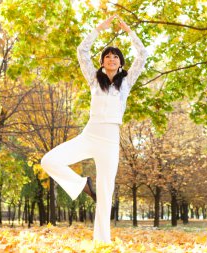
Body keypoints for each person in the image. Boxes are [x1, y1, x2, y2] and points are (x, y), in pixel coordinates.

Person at [40, 15, 148, 243]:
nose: (111, 59)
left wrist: (129, 31)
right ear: (102, 62)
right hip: (90, 134)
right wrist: (100, 28)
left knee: (106, 192)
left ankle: (102, 242)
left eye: (115, 56)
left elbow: (143, 54)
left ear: (121, 63)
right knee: (48, 161)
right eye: (107, 56)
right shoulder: (93, 79)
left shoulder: (126, 83)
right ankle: (82, 184)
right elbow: (82, 50)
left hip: (110, 139)